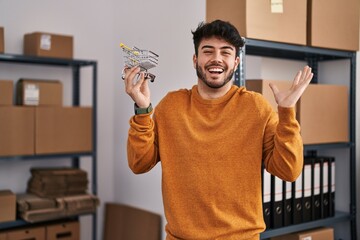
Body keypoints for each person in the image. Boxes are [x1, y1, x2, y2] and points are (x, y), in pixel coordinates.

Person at [123, 19, 313, 240]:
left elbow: (289, 171)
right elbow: (139, 163)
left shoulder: (256, 108)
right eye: (208, 51)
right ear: (195, 60)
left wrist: (287, 113)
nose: (216, 59)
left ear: (236, 62)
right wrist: (142, 110)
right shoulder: (171, 106)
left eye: (225, 52)